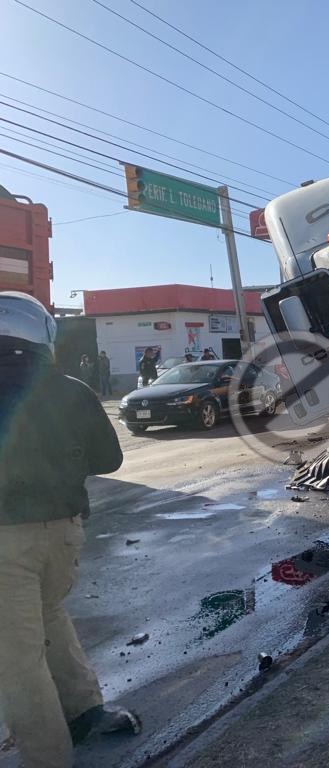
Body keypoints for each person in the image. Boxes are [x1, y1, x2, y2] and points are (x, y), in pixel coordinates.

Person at [0, 291, 140, 768]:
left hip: (3, 541)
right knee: (51, 615)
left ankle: (47, 758)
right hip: (63, 531)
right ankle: (84, 712)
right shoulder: (72, 389)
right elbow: (109, 459)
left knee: (16, 657)